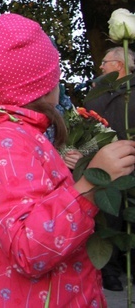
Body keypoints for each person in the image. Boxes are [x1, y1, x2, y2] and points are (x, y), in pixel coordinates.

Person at [0, 13, 135, 307]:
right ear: (42, 82)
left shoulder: (8, 136)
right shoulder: (6, 145)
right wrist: (90, 184)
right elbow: (30, 249)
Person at [82, 45, 135, 292]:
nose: (101, 66)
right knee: (109, 217)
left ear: (119, 64)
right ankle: (109, 270)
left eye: (105, 62)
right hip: (107, 162)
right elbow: (88, 129)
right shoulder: (97, 94)